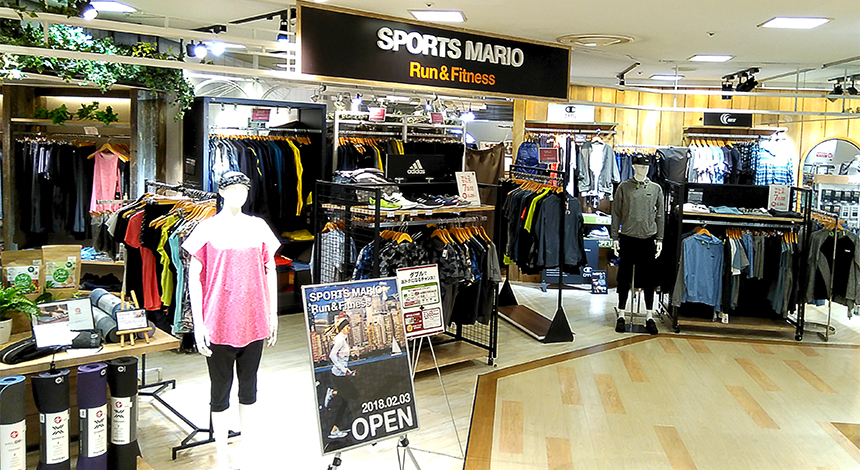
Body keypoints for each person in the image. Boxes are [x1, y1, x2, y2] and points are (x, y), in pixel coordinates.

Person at [183, 171, 280, 470]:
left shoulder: (258, 227)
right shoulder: (207, 228)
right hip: (219, 322)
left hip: (254, 320)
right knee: (220, 390)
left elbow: (271, 270)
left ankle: (247, 450)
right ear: (221, 192)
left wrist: (273, 313)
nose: (239, 194)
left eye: (244, 189)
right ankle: (222, 455)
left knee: (249, 387)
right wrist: (198, 324)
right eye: (233, 188)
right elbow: (194, 277)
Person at [324, 316, 357, 440]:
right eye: (347, 327)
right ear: (342, 328)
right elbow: (332, 356)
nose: (349, 329)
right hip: (338, 375)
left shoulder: (342, 339)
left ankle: (336, 428)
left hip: (341, 374)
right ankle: (334, 429)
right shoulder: (340, 340)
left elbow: (342, 358)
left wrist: (348, 371)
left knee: (347, 399)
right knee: (349, 397)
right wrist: (344, 370)